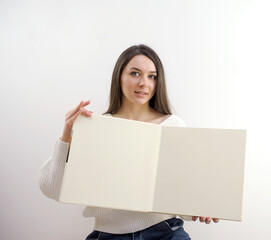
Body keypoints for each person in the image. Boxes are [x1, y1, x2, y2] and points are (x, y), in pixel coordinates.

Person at [39, 44, 219, 240]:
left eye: (152, 76)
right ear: (119, 77)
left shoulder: (173, 125)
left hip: (165, 232)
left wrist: (200, 208)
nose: (144, 83)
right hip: (108, 235)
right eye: (135, 73)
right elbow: (52, 189)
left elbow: (181, 192)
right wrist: (66, 136)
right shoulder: (96, 127)